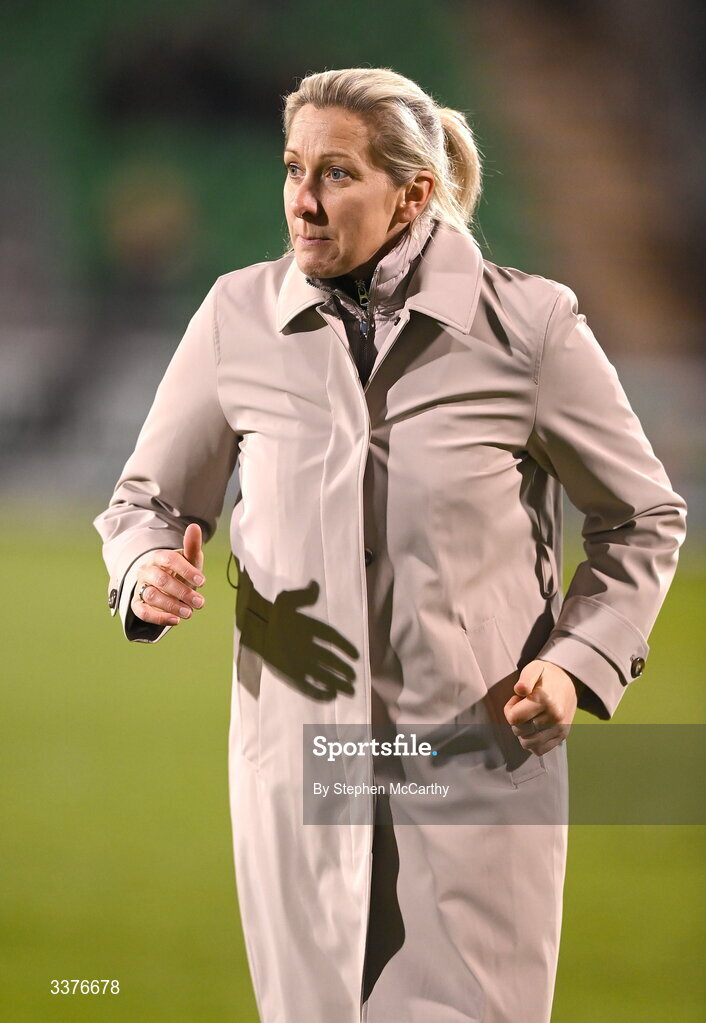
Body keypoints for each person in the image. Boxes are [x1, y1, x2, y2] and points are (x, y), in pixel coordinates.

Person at [94, 68, 687, 1023]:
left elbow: (642, 516)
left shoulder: (529, 325)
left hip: (476, 765)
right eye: (293, 169)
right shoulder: (235, 318)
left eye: (336, 174)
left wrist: (576, 666)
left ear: (412, 192)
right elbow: (146, 500)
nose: (302, 199)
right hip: (298, 775)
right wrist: (142, 568)